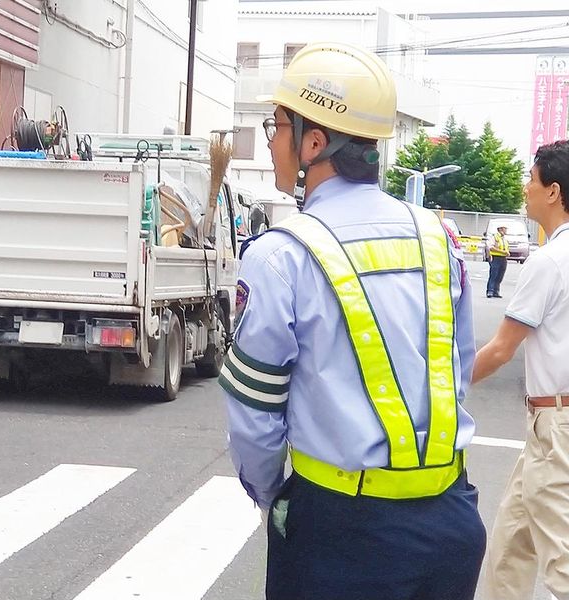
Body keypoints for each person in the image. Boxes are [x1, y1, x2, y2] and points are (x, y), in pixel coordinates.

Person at [218, 42, 485, 600]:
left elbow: (255, 416)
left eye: (278, 125)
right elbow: (455, 371)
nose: (271, 140)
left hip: (340, 530)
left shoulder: (281, 254)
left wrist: (276, 500)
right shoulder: (440, 240)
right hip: (450, 521)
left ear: (315, 142)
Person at [473, 140, 569, 600]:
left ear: (552, 191)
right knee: (511, 544)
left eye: (530, 179)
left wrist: (439, 387)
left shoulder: (549, 262)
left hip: (556, 427)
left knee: (563, 563)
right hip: (547, 427)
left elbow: (500, 349)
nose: (524, 188)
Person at [486, 224, 510, 298]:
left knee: (500, 275)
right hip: (496, 258)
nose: (506, 230)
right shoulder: (494, 237)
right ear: (500, 229)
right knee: (494, 275)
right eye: (505, 229)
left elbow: (505, 248)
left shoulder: (504, 239)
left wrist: (507, 253)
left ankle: (496, 291)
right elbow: (491, 247)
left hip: (503, 259)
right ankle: (490, 291)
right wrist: (502, 252)